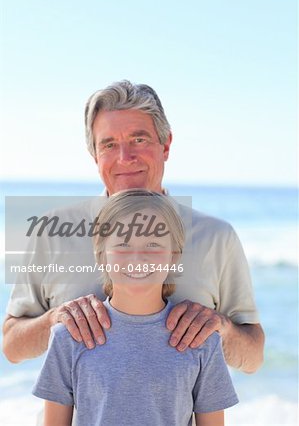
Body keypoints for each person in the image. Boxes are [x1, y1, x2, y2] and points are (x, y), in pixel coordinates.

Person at [3, 80, 264, 373]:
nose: (125, 158)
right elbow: (12, 346)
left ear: (166, 145)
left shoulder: (216, 237)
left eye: (139, 140)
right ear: (95, 156)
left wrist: (223, 330)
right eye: (109, 145)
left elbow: (253, 357)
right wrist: (54, 321)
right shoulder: (51, 232)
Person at [32, 189, 238, 426]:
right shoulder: (68, 337)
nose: (138, 258)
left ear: (174, 255)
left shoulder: (202, 340)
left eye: (152, 244)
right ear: (101, 256)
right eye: (123, 244)